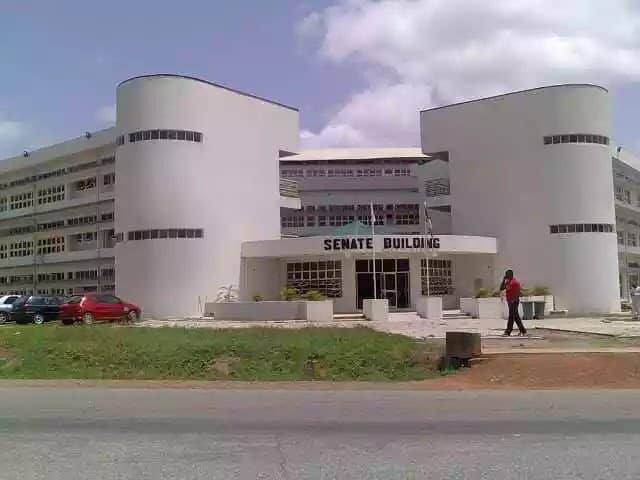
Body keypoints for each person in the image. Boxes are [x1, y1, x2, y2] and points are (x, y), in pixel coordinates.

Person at [500, 269, 527, 336]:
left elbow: (517, 292)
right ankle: (523, 331)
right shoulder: (508, 282)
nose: (506, 276)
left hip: (514, 301)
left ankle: (508, 331)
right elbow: (501, 288)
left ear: (511, 275)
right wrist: (503, 280)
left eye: (507, 274)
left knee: (511, 316)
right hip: (509, 301)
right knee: (516, 317)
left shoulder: (515, 282)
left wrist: (513, 301)